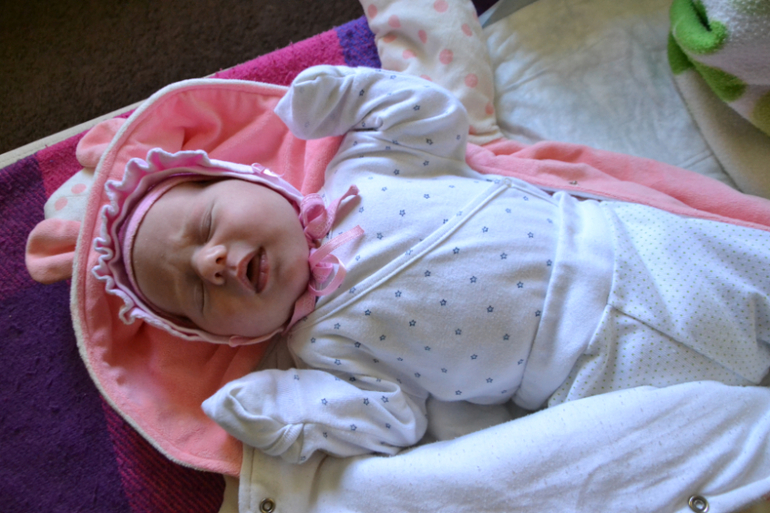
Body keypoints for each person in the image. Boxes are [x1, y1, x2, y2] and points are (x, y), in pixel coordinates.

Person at [95, 65, 770, 464]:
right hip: (594, 371)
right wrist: (279, 409)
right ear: (225, 338)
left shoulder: (361, 166)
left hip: (634, 246)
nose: (212, 262)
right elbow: (392, 420)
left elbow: (432, 118)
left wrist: (346, 94)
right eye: (196, 293)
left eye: (206, 225)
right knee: (722, 439)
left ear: (254, 180)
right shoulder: (320, 350)